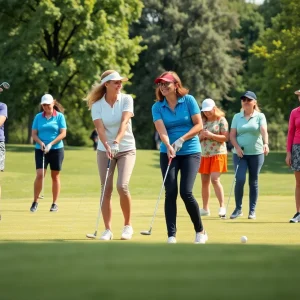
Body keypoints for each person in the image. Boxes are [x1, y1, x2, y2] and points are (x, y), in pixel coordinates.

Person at [151, 71, 208, 244]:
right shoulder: (157, 107)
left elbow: (199, 125)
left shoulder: (189, 100)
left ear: (176, 85)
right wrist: (169, 145)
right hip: (169, 152)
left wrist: (182, 139)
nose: (163, 86)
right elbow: (161, 130)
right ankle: (171, 235)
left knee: (186, 191)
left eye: (166, 83)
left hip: (190, 150)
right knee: (170, 192)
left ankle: (200, 231)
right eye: (160, 84)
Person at [86, 70, 136, 241]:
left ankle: (127, 226)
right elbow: (100, 129)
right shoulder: (97, 105)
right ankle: (107, 229)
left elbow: (124, 122)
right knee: (106, 188)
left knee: (122, 186)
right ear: (106, 84)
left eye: (120, 82)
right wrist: (107, 146)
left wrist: (116, 142)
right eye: (115, 82)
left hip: (126, 148)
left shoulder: (127, 99)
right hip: (104, 149)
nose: (119, 85)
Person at [229, 91, 269, 219]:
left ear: (254, 102)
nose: (246, 102)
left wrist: (266, 143)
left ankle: (252, 210)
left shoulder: (260, 116)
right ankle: (238, 209)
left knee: (253, 181)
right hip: (240, 154)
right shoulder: (237, 117)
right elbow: (232, 135)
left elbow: (263, 130)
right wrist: (237, 147)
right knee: (240, 180)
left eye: (249, 100)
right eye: (244, 100)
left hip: (256, 153)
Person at [30, 94, 67, 213]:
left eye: (48, 105)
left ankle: (54, 203)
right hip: (40, 149)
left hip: (56, 149)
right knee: (40, 174)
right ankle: (35, 201)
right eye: (44, 105)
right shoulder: (38, 117)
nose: (46, 107)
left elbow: (63, 133)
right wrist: (41, 143)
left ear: (53, 103)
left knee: (55, 176)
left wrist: (51, 144)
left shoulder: (59, 116)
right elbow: (34, 134)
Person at [198, 98, 229, 217]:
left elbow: (225, 138)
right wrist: (202, 135)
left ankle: (222, 206)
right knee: (204, 181)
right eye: (204, 111)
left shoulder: (221, 120)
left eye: (209, 110)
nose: (206, 113)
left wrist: (210, 135)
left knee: (215, 179)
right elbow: (197, 138)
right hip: (204, 153)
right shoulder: (202, 121)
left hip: (218, 153)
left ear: (214, 108)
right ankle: (205, 208)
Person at [286, 89, 300, 223]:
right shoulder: (295, 112)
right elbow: (290, 132)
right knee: (299, 183)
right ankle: (298, 212)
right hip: (297, 148)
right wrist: (288, 152)